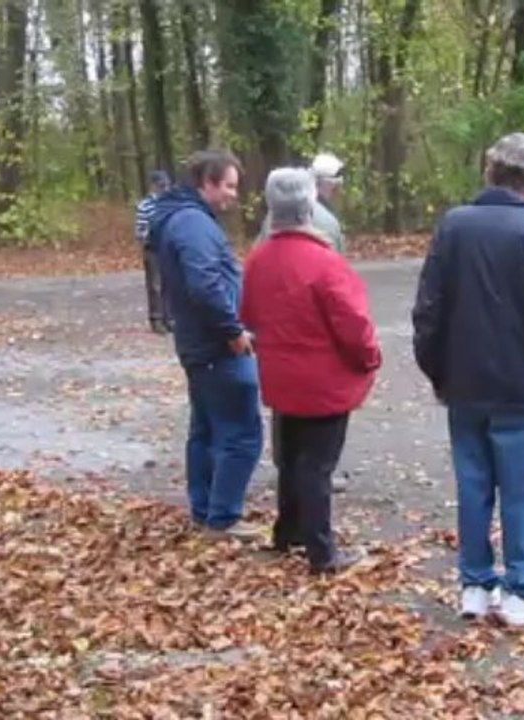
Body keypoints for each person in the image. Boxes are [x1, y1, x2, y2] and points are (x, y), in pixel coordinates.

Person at [412, 132, 524, 626]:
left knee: (473, 485)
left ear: (490, 171)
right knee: (519, 490)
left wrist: (439, 370)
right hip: (519, 389)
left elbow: (428, 310)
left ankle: (475, 583)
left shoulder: (454, 227)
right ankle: (521, 590)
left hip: (465, 385)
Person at [241, 168, 379, 574]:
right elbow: (354, 325)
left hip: (281, 377)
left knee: (291, 459)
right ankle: (322, 553)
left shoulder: (258, 260)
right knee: (317, 466)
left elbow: (248, 314)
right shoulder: (325, 263)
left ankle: (288, 533)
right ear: (309, 207)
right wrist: (370, 358)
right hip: (323, 382)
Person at [148, 150, 264, 541]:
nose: (234, 194)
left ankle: (205, 509)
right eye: (228, 186)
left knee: (206, 428)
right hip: (216, 346)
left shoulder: (181, 219)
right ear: (207, 183)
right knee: (241, 432)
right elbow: (204, 284)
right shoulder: (194, 225)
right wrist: (232, 331)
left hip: (199, 343)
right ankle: (224, 517)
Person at [256, 152, 346, 253]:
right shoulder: (327, 222)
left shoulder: (274, 215)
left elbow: (258, 249)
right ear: (329, 185)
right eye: (337, 187)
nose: (340, 192)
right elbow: (335, 261)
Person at [135, 170, 174, 334]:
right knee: (155, 285)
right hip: (152, 248)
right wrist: (151, 235)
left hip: (167, 246)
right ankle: (156, 319)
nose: (164, 188)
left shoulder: (170, 203)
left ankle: (170, 317)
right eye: (161, 186)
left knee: (170, 283)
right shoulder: (145, 205)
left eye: (166, 185)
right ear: (153, 186)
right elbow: (139, 231)